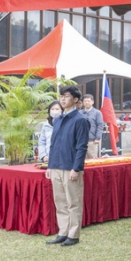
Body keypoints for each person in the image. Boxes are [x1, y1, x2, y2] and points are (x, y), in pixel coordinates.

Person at [44, 86, 91, 247]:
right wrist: (50, 166)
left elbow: (81, 147)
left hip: (70, 167)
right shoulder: (57, 120)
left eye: (67, 96)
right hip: (56, 165)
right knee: (60, 202)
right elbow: (53, 144)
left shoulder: (81, 120)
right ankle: (62, 232)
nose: (63, 99)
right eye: (61, 96)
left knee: (73, 202)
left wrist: (76, 168)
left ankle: (73, 234)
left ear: (76, 99)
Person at [79, 94, 105, 159]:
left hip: (92, 140)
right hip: (81, 141)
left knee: (92, 159)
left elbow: (100, 125)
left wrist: (97, 138)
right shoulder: (79, 113)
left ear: (93, 102)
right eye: (85, 101)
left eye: (88, 101)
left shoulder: (97, 113)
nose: (87, 102)